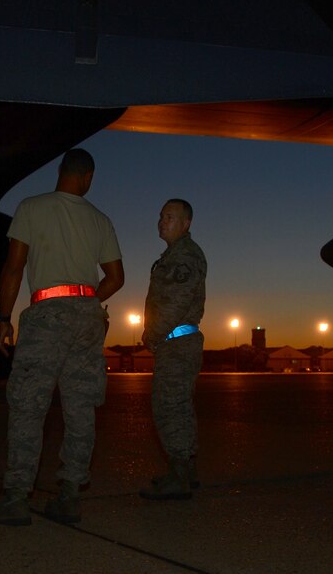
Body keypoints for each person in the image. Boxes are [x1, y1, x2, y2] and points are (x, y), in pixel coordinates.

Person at [0, 148, 124, 526]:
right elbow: (116, 277)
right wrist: (89, 301)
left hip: (47, 313)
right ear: (88, 177)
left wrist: (4, 317)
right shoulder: (100, 219)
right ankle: (70, 495)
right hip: (88, 317)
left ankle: (17, 497)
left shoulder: (31, 207)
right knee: (80, 407)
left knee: (29, 404)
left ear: (62, 171)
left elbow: (13, 267)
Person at [139, 199, 206, 500]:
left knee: (169, 405)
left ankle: (179, 478)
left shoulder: (185, 256)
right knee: (178, 405)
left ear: (186, 223)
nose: (162, 221)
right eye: (161, 215)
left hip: (176, 341)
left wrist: (151, 334)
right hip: (174, 342)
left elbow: (176, 302)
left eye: (170, 217)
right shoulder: (173, 254)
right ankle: (185, 471)